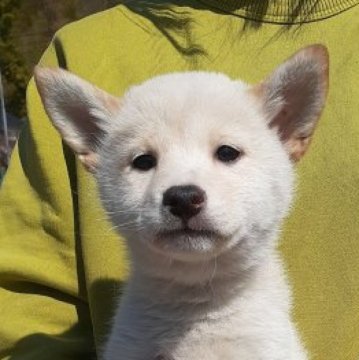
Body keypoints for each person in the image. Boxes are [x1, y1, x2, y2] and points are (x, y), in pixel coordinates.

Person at [0, 1, 358, 359]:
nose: (182, 191)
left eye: (227, 153)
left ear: (285, 129)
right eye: (143, 161)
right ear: (95, 147)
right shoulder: (81, 45)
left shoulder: (265, 333)